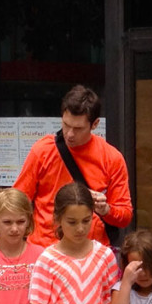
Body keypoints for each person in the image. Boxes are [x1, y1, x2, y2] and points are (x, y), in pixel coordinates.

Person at [14, 84, 132, 249]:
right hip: (46, 249)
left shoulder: (112, 158)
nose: (69, 134)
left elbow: (125, 215)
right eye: (66, 124)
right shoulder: (42, 150)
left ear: (95, 124)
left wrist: (105, 209)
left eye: (78, 128)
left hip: (92, 252)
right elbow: (16, 202)